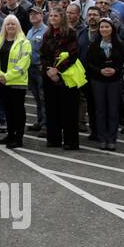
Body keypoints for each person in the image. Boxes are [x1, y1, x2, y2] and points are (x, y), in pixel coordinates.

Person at [40, 10, 82, 150]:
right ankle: (54, 139)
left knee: (69, 110)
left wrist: (57, 70)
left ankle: (70, 141)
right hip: (49, 76)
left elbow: (73, 54)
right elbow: (43, 55)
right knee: (52, 109)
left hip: (66, 75)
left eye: (56, 16)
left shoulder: (70, 33)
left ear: (62, 17)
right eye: (51, 16)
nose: (52, 18)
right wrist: (49, 71)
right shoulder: (47, 33)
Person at [0, 15, 32, 149]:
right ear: (4, 26)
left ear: (18, 26)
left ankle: (18, 138)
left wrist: (7, 76)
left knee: (18, 111)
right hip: (1, 81)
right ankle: (10, 134)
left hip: (17, 83)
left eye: (13, 24)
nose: (10, 26)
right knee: (7, 109)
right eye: (8, 24)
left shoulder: (24, 42)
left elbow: (23, 64)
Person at [83, 17, 124, 152]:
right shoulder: (94, 44)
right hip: (98, 80)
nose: (104, 29)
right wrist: (100, 70)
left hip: (114, 81)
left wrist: (115, 70)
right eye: (102, 27)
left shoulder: (120, 44)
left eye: (107, 27)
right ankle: (102, 138)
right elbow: (89, 63)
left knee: (113, 110)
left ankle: (112, 139)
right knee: (100, 110)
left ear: (112, 29)